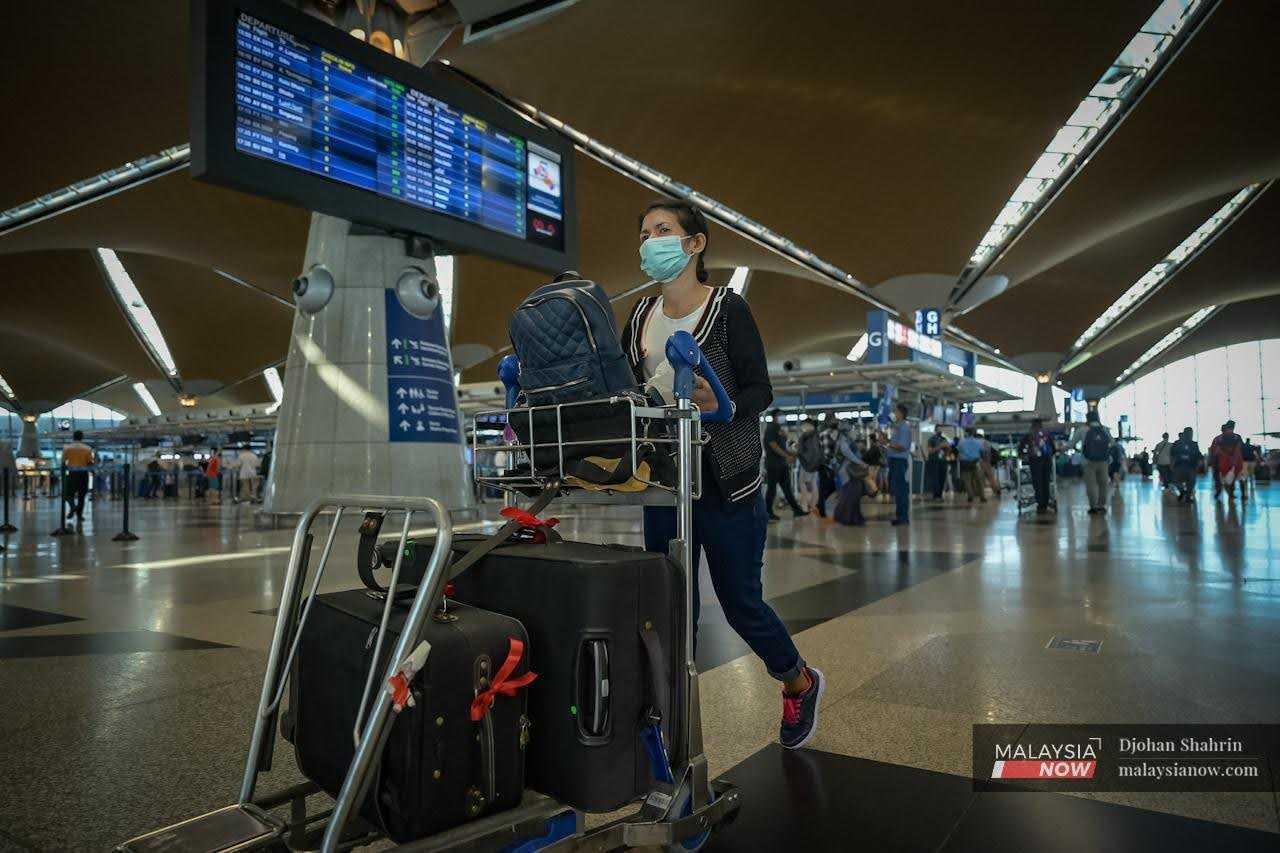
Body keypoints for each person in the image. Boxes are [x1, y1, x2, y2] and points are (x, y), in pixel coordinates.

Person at [621, 199, 821, 749]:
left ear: (695, 243)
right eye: (644, 233)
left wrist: (723, 399)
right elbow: (625, 394)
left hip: (727, 483)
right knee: (669, 609)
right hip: (664, 485)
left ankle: (798, 681)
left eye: (663, 230)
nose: (650, 241)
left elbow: (762, 389)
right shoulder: (640, 317)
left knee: (740, 604)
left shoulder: (728, 310)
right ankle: (671, 729)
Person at [762, 411, 806, 521]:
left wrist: (791, 453)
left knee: (787, 488)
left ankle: (797, 510)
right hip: (774, 464)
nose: (783, 417)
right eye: (780, 415)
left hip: (781, 464)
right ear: (775, 417)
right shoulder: (771, 428)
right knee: (772, 489)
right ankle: (768, 513)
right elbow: (774, 446)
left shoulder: (778, 428)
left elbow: (783, 444)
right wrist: (787, 456)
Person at [879, 403, 913, 525]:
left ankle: (903, 518)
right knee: (897, 491)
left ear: (901, 413)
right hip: (894, 461)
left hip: (899, 462)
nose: (894, 413)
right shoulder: (897, 427)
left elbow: (901, 447)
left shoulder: (904, 427)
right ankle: (900, 516)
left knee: (901, 490)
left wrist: (886, 442)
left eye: (896, 411)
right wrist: (885, 440)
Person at [1018, 417, 1054, 514]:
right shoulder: (1047, 434)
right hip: (1047, 460)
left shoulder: (1030, 434)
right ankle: (1046, 503)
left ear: (1032, 425)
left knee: (1037, 481)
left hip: (1035, 461)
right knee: (1045, 481)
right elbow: (1053, 448)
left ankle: (1040, 503)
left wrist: (1021, 455)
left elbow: (1021, 446)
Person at [1080, 411, 1113, 514]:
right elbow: (1112, 442)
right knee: (1103, 484)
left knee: (1091, 484)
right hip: (1103, 461)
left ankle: (1093, 507)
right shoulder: (1105, 429)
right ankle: (1101, 506)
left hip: (1088, 461)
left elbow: (1071, 444)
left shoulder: (1083, 430)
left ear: (1087, 419)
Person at [61, 430, 94, 526]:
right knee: (82, 496)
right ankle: (79, 515)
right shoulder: (87, 448)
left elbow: (63, 462)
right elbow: (89, 462)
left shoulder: (67, 448)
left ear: (73, 437)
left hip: (72, 474)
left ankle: (72, 507)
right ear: (82, 437)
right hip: (83, 474)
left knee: (67, 494)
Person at [1209, 420, 1245, 501]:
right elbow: (1215, 451)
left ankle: (1232, 494)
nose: (1230, 430)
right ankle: (1231, 494)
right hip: (1227, 464)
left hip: (1229, 463)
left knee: (1234, 479)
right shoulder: (1232, 437)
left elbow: (1215, 451)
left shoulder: (1220, 438)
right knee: (1232, 479)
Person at [815, 414, 841, 518]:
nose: (836, 421)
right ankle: (820, 508)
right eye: (833, 419)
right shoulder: (825, 433)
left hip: (827, 464)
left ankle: (820, 505)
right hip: (825, 465)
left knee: (826, 487)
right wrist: (832, 464)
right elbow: (826, 452)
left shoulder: (830, 433)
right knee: (827, 487)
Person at [1170, 427, 1202, 504]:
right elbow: (1172, 455)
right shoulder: (1190, 444)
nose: (1190, 435)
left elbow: (1198, 455)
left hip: (1186, 466)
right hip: (1186, 466)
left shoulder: (1191, 444)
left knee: (1181, 482)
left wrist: (1172, 465)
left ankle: (1184, 494)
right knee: (1188, 482)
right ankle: (1185, 494)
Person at [956, 427, 986, 503]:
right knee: (979, 481)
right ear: (974, 433)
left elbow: (958, 451)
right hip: (976, 462)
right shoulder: (979, 442)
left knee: (967, 481)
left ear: (966, 433)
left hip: (965, 463)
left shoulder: (961, 442)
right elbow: (982, 452)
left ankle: (970, 496)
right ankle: (982, 497)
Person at [925, 426, 948, 500]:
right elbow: (930, 451)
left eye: (941, 429)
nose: (940, 430)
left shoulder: (944, 439)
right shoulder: (931, 440)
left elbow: (947, 452)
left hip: (943, 461)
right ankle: (936, 495)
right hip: (934, 461)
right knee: (935, 479)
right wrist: (939, 446)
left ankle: (940, 494)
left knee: (942, 478)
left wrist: (948, 447)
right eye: (939, 429)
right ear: (935, 430)